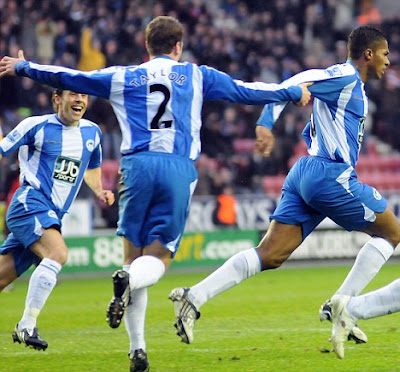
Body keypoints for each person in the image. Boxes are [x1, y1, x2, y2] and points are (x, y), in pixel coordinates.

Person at [0, 16, 311, 372]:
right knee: (157, 260)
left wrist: (24, 66)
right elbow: (247, 90)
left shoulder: (124, 76)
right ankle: (129, 289)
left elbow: (71, 77)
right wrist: (290, 92)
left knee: (132, 258)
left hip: (135, 168)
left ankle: (138, 350)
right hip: (177, 169)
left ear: (147, 47)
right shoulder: (197, 75)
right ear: (178, 47)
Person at [167, 25, 398, 358]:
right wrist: (265, 122)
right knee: (391, 232)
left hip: (305, 172)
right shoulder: (344, 78)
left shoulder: (350, 86)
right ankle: (342, 305)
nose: (388, 61)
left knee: (270, 254)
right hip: (329, 175)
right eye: (386, 54)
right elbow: (292, 84)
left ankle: (194, 297)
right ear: (368, 54)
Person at [0, 89, 115, 351]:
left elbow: (92, 166)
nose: (80, 100)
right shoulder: (35, 126)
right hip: (29, 202)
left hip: (51, 215)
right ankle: (27, 324)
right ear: (56, 99)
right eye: (73, 94)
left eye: (84, 96)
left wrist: (100, 191)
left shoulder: (91, 132)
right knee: (57, 252)